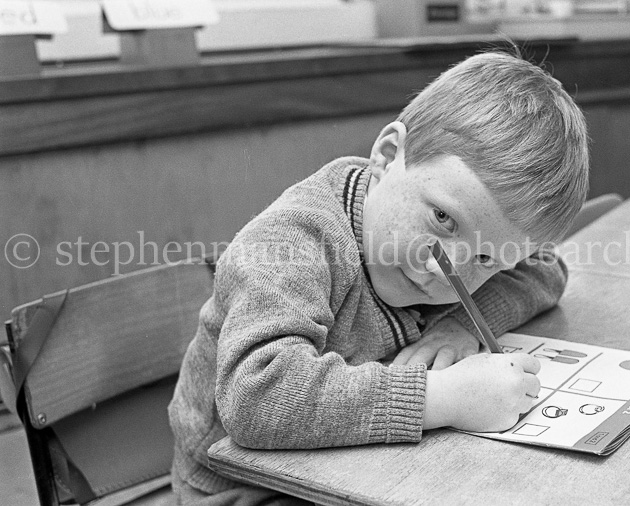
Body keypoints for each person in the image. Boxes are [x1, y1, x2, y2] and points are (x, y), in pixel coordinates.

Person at [168, 49, 589, 504]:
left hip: (368, 469)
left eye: (488, 260)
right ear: (388, 156)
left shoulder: (454, 242)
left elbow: (546, 268)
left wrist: (462, 326)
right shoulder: (291, 242)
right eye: (443, 220)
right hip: (244, 487)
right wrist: (442, 397)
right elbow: (257, 400)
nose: (445, 272)